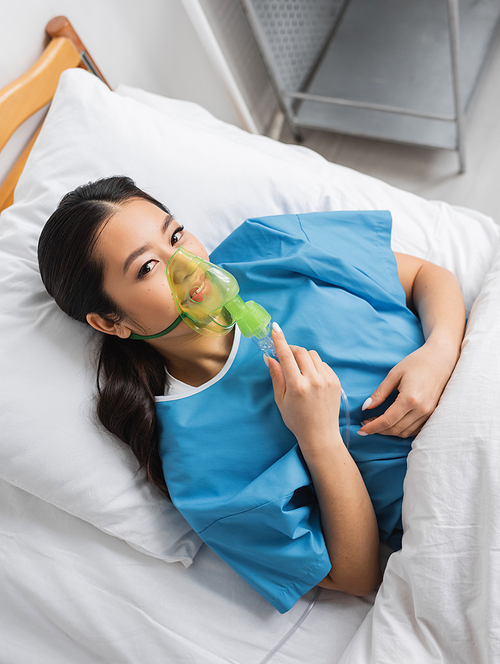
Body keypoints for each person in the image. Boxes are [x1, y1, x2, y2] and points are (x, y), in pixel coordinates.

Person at [38, 176, 465, 613]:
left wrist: (439, 351)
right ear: (111, 322)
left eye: (176, 235)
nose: (188, 265)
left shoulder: (268, 248)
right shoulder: (198, 462)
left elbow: (425, 276)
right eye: (147, 268)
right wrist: (319, 439)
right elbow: (355, 575)